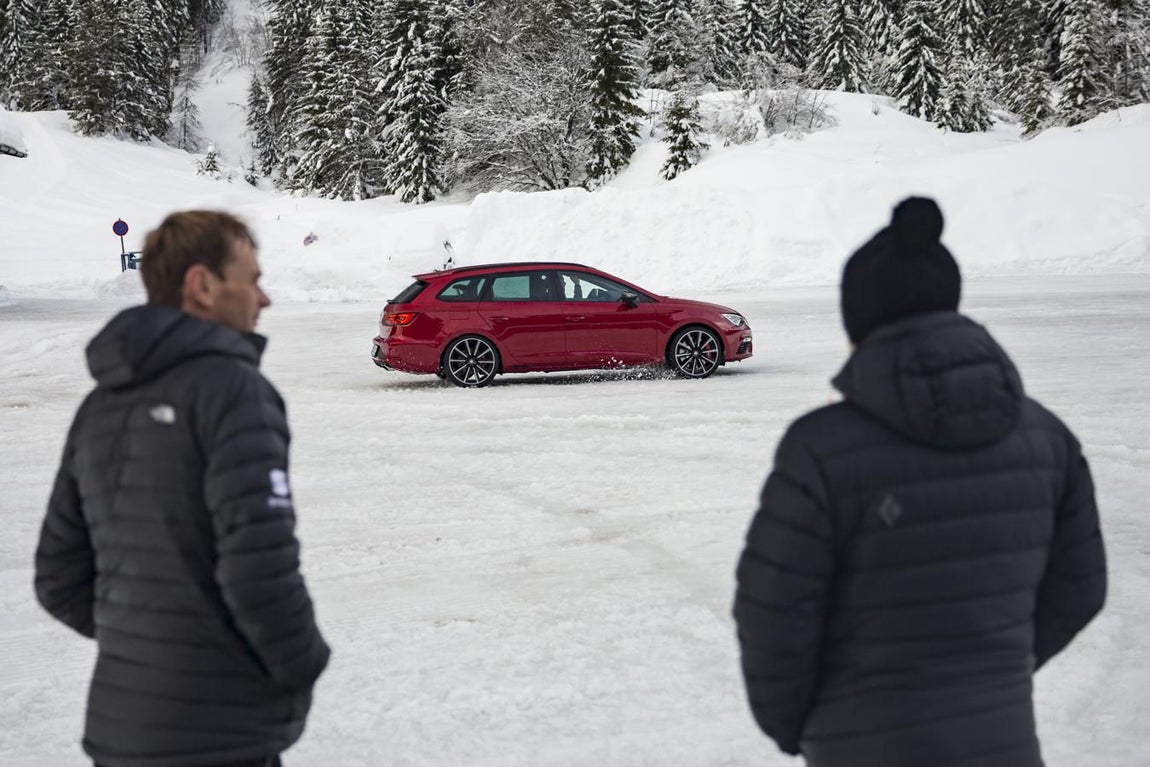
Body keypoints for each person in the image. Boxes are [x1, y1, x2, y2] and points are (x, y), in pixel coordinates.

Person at [733, 197, 1107, 767]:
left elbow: (772, 615)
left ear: (859, 323)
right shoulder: (1050, 439)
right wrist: (992, 676)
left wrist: (805, 726)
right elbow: (1081, 589)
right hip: (1003, 742)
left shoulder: (820, 448)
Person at [34, 210, 331, 767]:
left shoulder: (100, 404)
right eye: (252, 280)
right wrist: (304, 662)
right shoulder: (234, 390)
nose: (264, 299)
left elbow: (57, 577)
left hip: (122, 731)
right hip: (218, 733)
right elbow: (260, 565)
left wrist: (147, 643)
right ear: (202, 285)